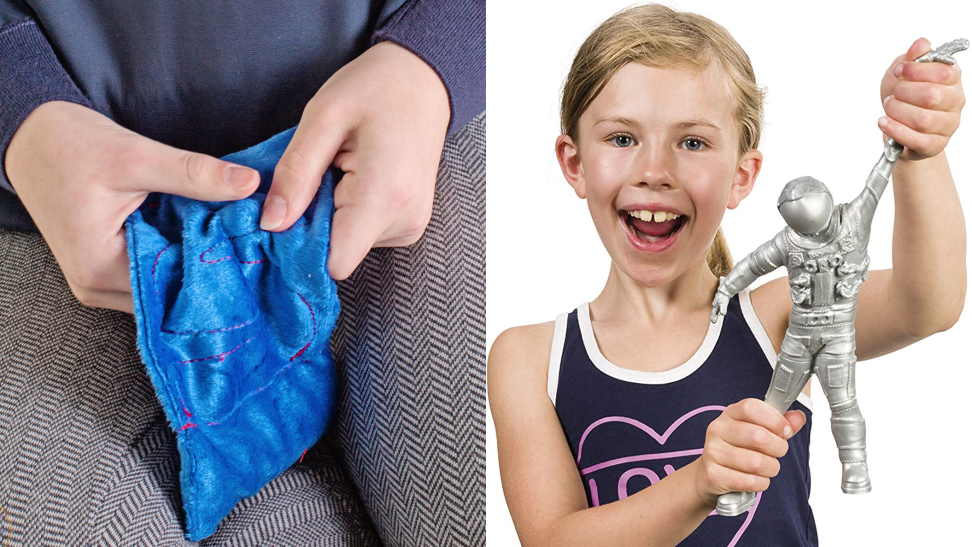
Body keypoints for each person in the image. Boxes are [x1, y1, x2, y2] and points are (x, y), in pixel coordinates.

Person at [0, 1, 484, 545]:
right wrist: (21, 106)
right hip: (50, 200)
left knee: (478, 486)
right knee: (87, 521)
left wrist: (439, 48)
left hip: (405, 133)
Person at [488, 4, 965, 546]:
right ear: (574, 163)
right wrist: (700, 483)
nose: (654, 172)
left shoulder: (778, 318)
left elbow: (928, 303)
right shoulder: (528, 358)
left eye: (692, 142)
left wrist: (917, 144)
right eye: (622, 139)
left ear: (742, 176)